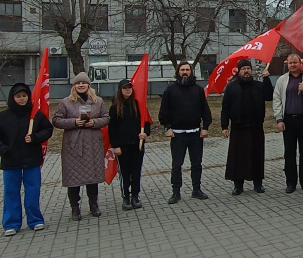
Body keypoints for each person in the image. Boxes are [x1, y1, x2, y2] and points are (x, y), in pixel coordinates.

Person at [0, 82, 53, 236]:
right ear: (12, 98)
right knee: (11, 191)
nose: (22, 99)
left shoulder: (35, 115)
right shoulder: (3, 117)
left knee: (33, 190)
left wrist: (35, 137)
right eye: (18, 96)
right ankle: (12, 223)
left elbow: (48, 130)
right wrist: (3, 150)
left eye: (24, 96)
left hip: (32, 160)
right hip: (11, 161)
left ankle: (35, 220)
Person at [52, 72, 110, 221]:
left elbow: (106, 118)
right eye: (78, 83)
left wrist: (94, 122)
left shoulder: (98, 101)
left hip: (93, 144)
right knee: (73, 178)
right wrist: (73, 122)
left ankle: (93, 204)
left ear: (89, 85)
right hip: (73, 145)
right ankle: (75, 207)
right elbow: (57, 120)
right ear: (74, 86)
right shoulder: (65, 102)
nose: (81, 85)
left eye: (84, 83)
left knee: (92, 177)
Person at [159, 61, 212, 204]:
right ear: (178, 72)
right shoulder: (170, 90)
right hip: (177, 134)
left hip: (195, 134)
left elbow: (205, 110)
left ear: (191, 72)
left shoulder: (198, 90)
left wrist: (205, 127)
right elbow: (164, 112)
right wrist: (167, 128)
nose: (185, 72)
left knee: (197, 163)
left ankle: (196, 190)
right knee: (177, 165)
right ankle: (176, 192)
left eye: (187, 70)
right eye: (182, 70)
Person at [221, 59, 274, 194]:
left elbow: (269, 96)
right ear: (239, 71)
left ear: (251, 70)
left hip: (256, 127)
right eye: (243, 69)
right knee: (238, 157)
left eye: (248, 69)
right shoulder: (232, 87)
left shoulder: (258, 86)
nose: (246, 71)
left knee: (257, 155)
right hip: (238, 127)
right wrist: (224, 126)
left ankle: (258, 184)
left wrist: (267, 79)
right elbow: (225, 108)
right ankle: (238, 185)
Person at [273, 53, 303, 193]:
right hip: (288, 120)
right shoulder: (282, 80)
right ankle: (291, 182)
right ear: (287, 64)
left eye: (295, 62)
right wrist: (279, 119)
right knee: (289, 153)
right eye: (290, 63)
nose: (293, 65)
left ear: (300, 63)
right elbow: (277, 100)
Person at [108, 79, 151, 211]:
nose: (128, 90)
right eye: (125, 88)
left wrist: (145, 134)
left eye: (130, 88)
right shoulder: (115, 107)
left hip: (137, 145)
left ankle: (135, 196)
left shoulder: (139, 105)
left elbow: (147, 123)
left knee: (136, 171)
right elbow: (112, 128)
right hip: (122, 146)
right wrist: (115, 146)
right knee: (125, 172)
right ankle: (126, 196)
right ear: (120, 90)